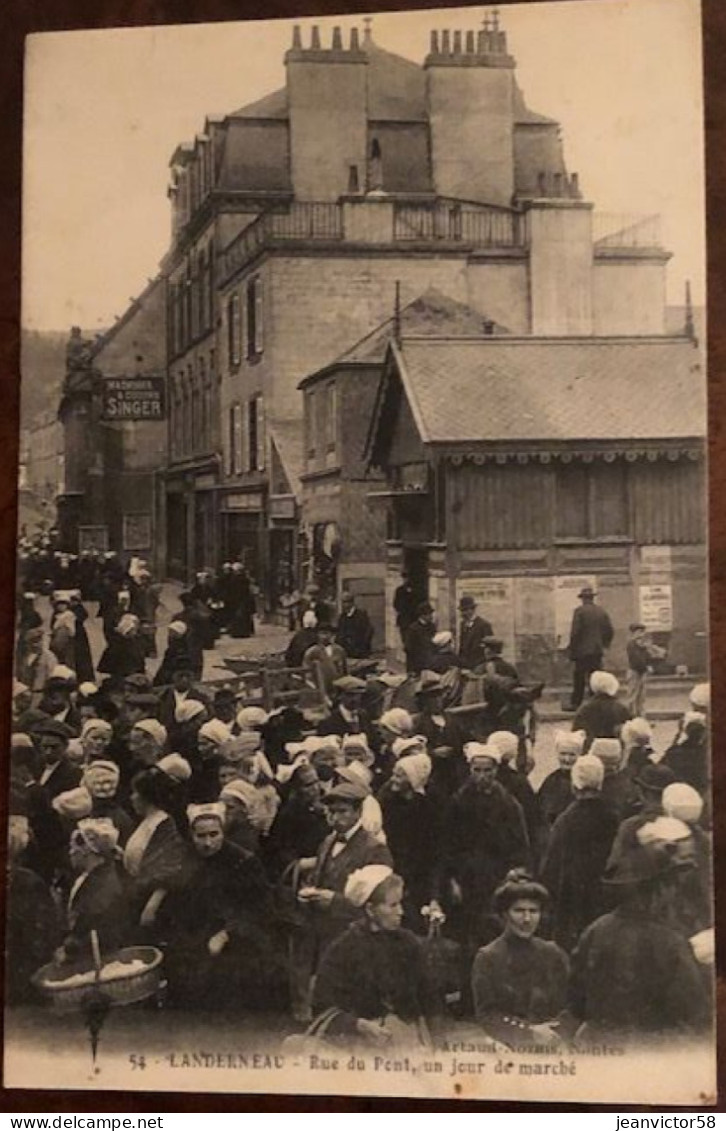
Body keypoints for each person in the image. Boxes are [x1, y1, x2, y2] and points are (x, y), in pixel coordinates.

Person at [570, 817, 712, 1039]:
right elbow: (694, 1014)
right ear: (659, 889)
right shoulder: (670, 942)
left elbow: (576, 1000)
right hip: (650, 1054)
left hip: (600, 1047)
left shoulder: (596, 930)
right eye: (670, 884)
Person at [161, 804, 281, 1012]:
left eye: (214, 835)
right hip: (198, 930)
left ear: (223, 833)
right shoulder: (187, 858)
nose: (208, 842)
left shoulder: (243, 861)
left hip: (239, 934)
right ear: (192, 836)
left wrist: (227, 933)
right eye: (201, 836)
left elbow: (260, 909)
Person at [312, 868, 437, 1049]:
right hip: (358, 1043)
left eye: (400, 903)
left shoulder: (409, 944)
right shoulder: (343, 949)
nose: (400, 911)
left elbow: (429, 998)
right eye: (392, 905)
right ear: (370, 909)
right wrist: (358, 1025)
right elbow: (322, 1007)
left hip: (409, 1039)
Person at [442, 741, 530, 950]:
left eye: (487, 770)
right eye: (477, 770)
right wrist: (451, 879)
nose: (482, 776)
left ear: (496, 771)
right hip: (466, 879)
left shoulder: (508, 804)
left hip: (497, 878)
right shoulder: (458, 802)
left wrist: (515, 872)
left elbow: (521, 845)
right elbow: (447, 845)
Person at [471, 869, 569, 1047]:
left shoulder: (553, 953)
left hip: (553, 1044)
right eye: (519, 911)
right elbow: (487, 1015)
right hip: (509, 1047)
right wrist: (528, 1033)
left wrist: (554, 1032)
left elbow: (571, 1004)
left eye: (534, 911)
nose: (527, 919)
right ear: (504, 914)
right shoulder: (488, 957)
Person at [540, 754, 619, 953]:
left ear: (574, 786)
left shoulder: (565, 821)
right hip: (605, 898)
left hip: (572, 902)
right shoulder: (614, 817)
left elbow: (551, 867)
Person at [54, 818, 130, 966]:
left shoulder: (101, 889)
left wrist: (69, 949)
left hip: (99, 960)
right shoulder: (94, 875)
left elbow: (96, 931)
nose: (70, 853)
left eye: (73, 848)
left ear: (86, 852)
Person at [377, 750, 439, 929]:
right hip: (393, 861)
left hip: (420, 865)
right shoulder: (386, 798)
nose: (394, 780)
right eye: (394, 774)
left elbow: (434, 842)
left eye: (400, 776)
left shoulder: (430, 803)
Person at [566, 587, 614, 710]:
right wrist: (604, 644)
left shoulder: (579, 611)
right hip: (597, 650)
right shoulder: (601, 612)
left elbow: (575, 632)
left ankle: (575, 703)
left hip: (582, 652)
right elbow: (609, 630)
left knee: (579, 678)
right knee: (595, 678)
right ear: (592, 598)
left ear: (583, 599)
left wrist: (572, 649)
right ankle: (595, 703)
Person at [537, 729, 586, 829]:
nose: (566, 759)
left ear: (580, 755)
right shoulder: (551, 780)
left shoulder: (585, 779)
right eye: (563, 754)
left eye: (572, 755)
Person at [572, 670, 631, 746]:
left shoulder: (585, 709)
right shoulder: (621, 708)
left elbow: (576, 735)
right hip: (615, 750)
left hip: (590, 751)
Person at [625, 622, 663, 717]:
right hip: (635, 672)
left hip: (641, 672)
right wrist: (646, 666)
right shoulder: (631, 644)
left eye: (642, 632)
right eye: (639, 632)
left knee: (641, 697)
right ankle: (631, 717)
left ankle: (640, 717)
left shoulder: (641, 645)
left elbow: (647, 657)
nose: (642, 634)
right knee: (633, 697)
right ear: (634, 633)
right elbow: (636, 660)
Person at [303, 622, 348, 697]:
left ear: (331, 635)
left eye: (327, 633)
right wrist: (315, 689)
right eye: (322, 633)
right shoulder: (311, 652)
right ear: (317, 635)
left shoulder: (339, 650)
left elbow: (344, 670)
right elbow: (307, 673)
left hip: (337, 688)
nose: (325, 637)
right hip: (320, 689)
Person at [458, 596, 493, 670]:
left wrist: (484, 665)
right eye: (462, 610)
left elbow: (489, 647)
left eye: (465, 610)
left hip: (479, 665)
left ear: (472, 610)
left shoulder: (484, 625)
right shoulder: (462, 624)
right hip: (465, 665)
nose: (463, 613)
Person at [335, 592, 374, 659]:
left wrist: (364, 645)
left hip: (360, 649)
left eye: (347, 602)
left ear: (352, 602)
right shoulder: (342, 617)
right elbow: (340, 632)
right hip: (346, 650)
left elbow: (368, 631)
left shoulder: (361, 615)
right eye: (343, 602)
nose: (345, 605)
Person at [404, 602, 436, 675]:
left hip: (430, 664)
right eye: (429, 614)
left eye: (431, 614)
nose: (431, 616)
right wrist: (410, 669)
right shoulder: (413, 629)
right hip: (417, 665)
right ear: (422, 615)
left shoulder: (432, 627)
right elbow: (408, 649)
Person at [393, 571, 420, 647]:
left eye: (407, 578)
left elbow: (416, 603)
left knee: (412, 638)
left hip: (412, 618)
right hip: (403, 618)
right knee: (404, 638)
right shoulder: (399, 590)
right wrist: (401, 610)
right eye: (404, 578)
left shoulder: (415, 590)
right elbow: (395, 604)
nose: (405, 580)